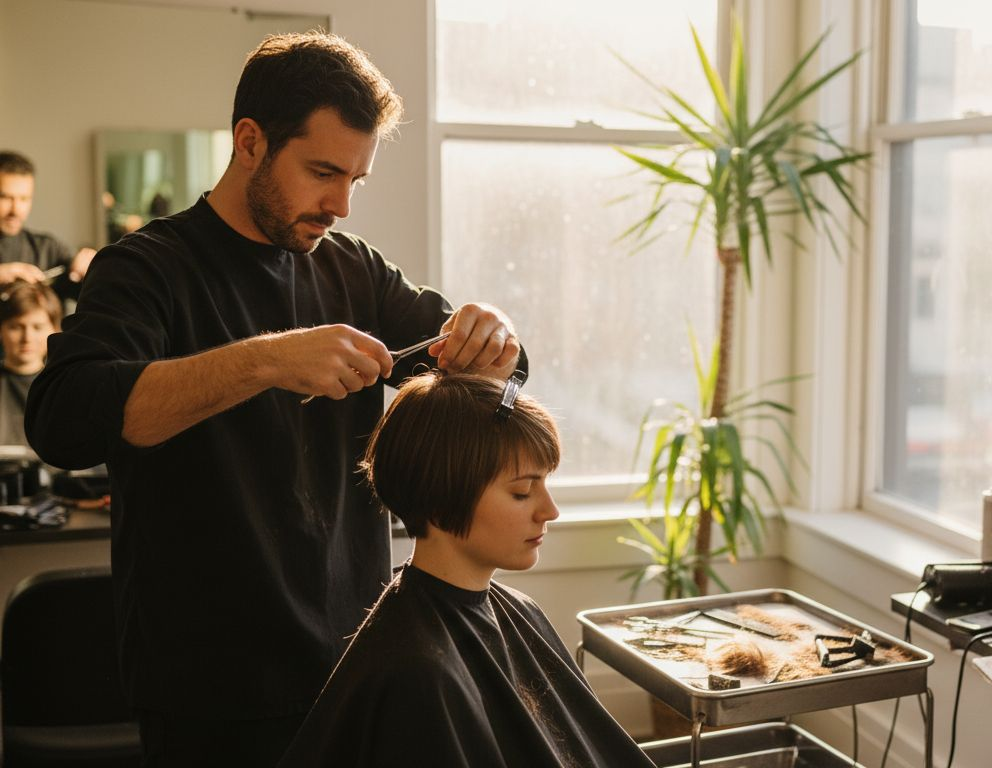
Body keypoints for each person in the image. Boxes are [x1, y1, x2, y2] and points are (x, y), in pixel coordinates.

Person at [25, 32, 522, 767]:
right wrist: (265, 361)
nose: (342, 204)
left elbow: (495, 375)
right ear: (250, 142)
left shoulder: (354, 270)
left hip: (357, 658)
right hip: (210, 691)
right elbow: (63, 419)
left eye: (357, 179)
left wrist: (496, 341)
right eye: (324, 171)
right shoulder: (148, 269)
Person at [278, 373, 655, 767]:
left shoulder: (518, 609)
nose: (550, 511)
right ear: (440, 500)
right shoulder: (418, 673)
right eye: (522, 492)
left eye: (545, 484)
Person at [0, 151, 95, 304]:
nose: (16, 210)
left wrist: (96, 269)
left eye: (24, 199)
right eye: (4, 197)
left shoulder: (49, 249)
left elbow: (98, 298)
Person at [0, 280, 60, 446]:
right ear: (1, 330)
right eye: (16, 327)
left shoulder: (66, 388)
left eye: (38, 327)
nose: (27, 338)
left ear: (55, 330)